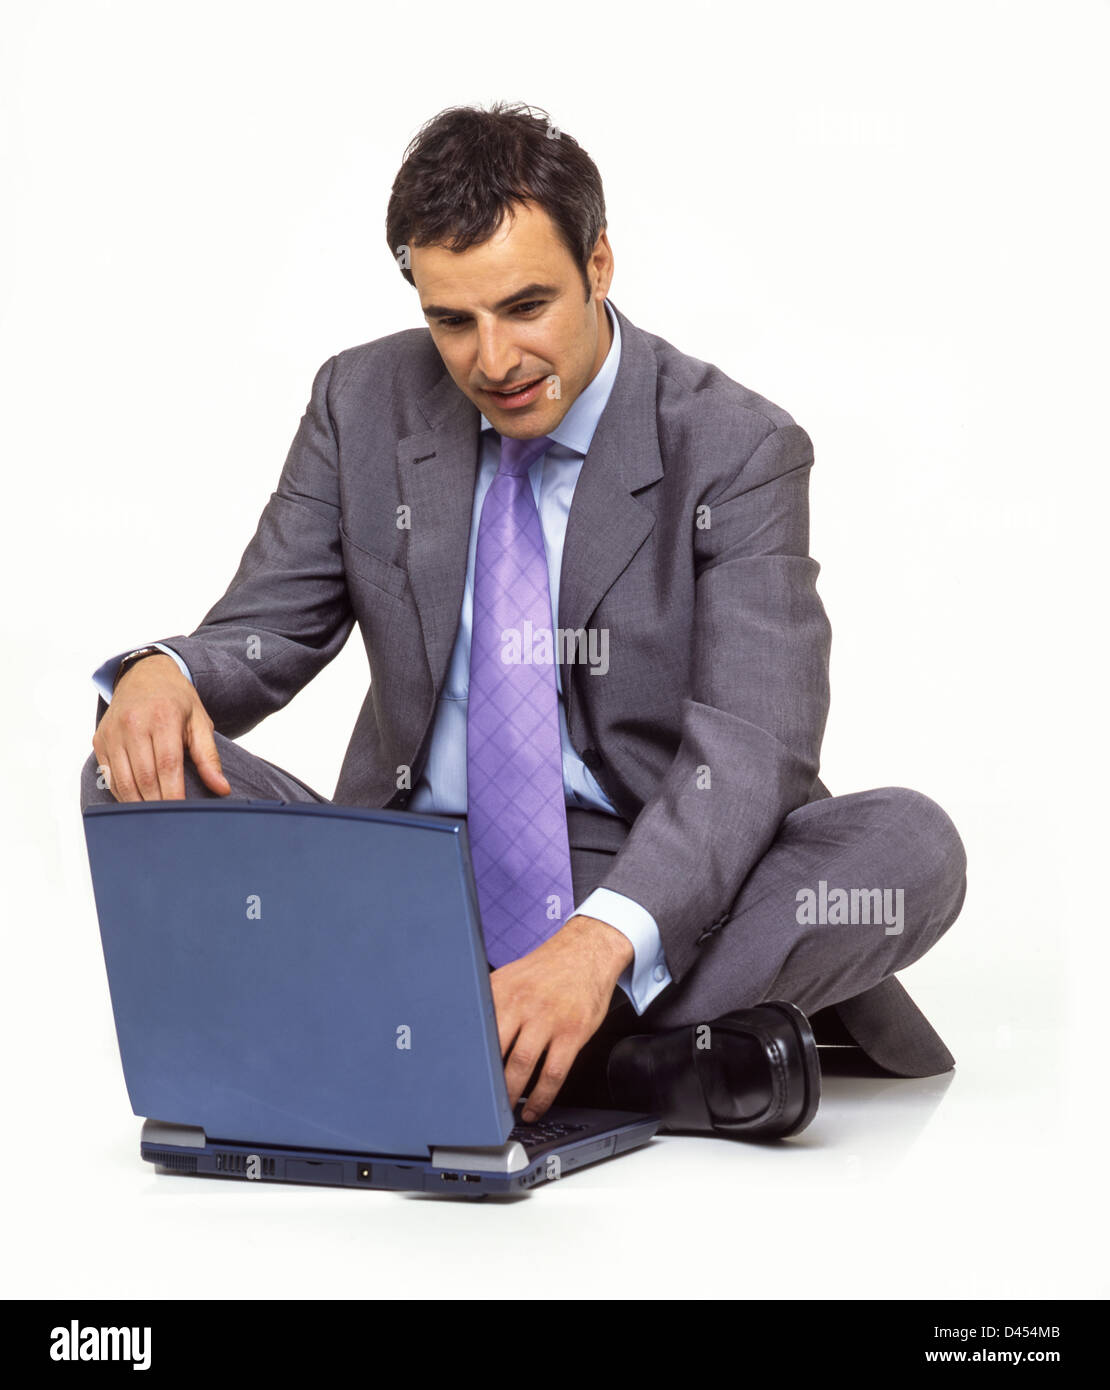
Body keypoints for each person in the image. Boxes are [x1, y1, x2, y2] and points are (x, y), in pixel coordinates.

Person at [80, 101, 967, 1142]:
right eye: (452, 319)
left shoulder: (735, 446)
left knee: (910, 844)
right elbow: (263, 634)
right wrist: (163, 674)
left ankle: (488, 1033)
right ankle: (639, 1068)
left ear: (599, 265)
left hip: (649, 873)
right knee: (128, 771)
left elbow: (756, 743)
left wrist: (596, 947)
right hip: (408, 884)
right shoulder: (359, 401)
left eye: (526, 305)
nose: (493, 359)